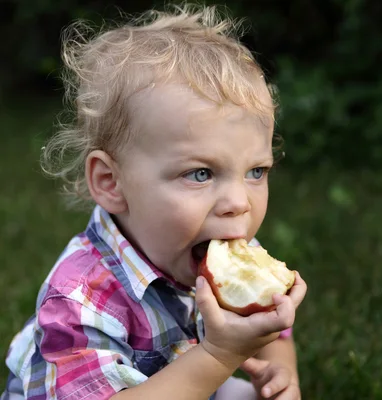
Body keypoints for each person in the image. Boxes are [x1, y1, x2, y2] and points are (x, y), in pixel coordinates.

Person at [1, 3, 307, 399]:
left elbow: (273, 334)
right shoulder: (81, 300)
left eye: (255, 172)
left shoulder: (228, 250)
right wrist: (218, 356)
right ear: (112, 182)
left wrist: (283, 375)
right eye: (200, 173)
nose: (238, 203)